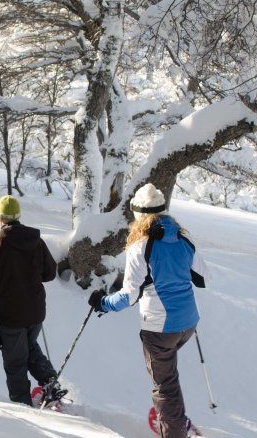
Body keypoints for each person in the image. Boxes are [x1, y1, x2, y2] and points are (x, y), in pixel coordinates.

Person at [88, 183, 209, 438]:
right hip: (188, 323)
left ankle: (174, 429)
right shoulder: (184, 238)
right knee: (168, 380)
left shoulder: (141, 247)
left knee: (164, 386)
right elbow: (203, 277)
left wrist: (103, 303)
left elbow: (129, 297)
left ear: (139, 216)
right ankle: (174, 419)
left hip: (160, 327)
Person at [0, 195, 64, 407]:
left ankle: (23, 407)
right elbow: (50, 273)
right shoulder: (36, 242)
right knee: (30, 346)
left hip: (10, 316)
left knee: (15, 364)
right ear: (18, 216)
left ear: (0, 219)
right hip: (35, 311)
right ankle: (50, 383)